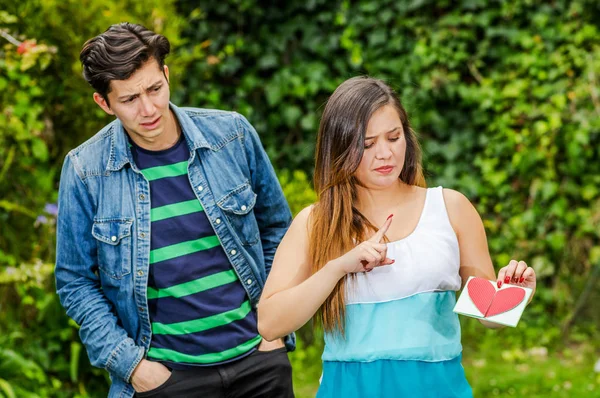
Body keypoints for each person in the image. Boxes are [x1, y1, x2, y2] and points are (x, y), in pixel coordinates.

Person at [257, 76, 537, 397]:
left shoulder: (451, 208)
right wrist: (338, 268)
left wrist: (516, 295)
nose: (385, 153)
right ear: (340, 146)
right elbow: (270, 323)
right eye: (367, 144)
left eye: (393, 137)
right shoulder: (316, 222)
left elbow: (489, 315)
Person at [55, 22, 294, 398]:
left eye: (155, 88)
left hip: (257, 362)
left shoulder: (232, 135)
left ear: (166, 74)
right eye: (130, 99)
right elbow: (75, 282)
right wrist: (132, 366)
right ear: (104, 102)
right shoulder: (87, 170)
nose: (149, 108)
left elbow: (279, 231)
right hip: (167, 378)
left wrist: (274, 330)